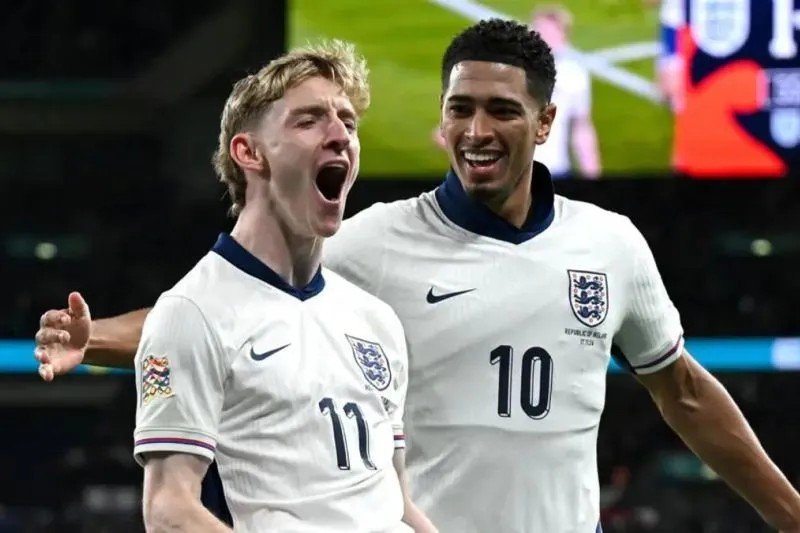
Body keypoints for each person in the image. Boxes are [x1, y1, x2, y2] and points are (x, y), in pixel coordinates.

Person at [34, 19, 800, 533]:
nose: (474, 130)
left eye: (501, 110)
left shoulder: (611, 246)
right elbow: (226, 310)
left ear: (543, 123)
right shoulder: (372, 242)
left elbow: (686, 392)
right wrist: (92, 336)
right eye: (459, 108)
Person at [38, 41, 435, 532]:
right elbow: (169, 510)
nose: (340, 136)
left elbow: (398, 505)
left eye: (348, 123)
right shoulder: (191, 311)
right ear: (249, 152)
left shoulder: (375, 319)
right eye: (308, 120)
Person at [529, 4, 601, 179]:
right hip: (517, 173)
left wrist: (593, 176)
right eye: (539, 32)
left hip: (557, 172)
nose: (544, 38)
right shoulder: (511, 73)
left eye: (550, 33)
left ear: (563, 37)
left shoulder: (574, 74)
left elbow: (581, 127)